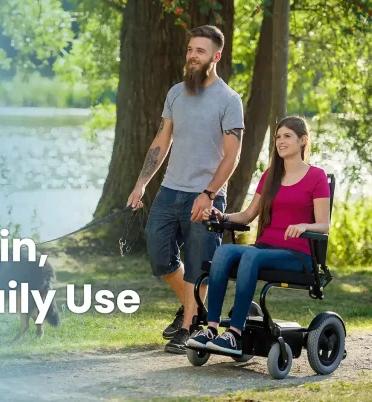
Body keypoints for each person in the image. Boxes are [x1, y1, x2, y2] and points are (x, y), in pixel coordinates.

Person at [126, 25, 244, 354]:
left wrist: (208, 194)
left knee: (198, 262)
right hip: (169, 189)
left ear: (216, 57)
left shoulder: (229, 100)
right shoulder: (176, 93)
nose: (192, 55)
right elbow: (162, 140)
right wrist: (141, 184)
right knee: (158, 252)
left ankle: (190, 323)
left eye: (200, 51)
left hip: (205, 195)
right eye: (190, 49)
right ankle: (193, 307)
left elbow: (232, 156)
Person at [186, 116, 331, 356]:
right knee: (223, 251)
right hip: (265, 249)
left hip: (298, 255)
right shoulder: (270, 176)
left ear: (303, 140)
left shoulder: (316, 176)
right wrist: (220, 216)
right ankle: (211, 329)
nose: (280, 142)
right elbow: (247, 216)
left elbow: (324, 225)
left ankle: (234, 334)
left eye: (287, 136)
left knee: (251, 256)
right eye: (277, 137)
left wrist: (304, 225)